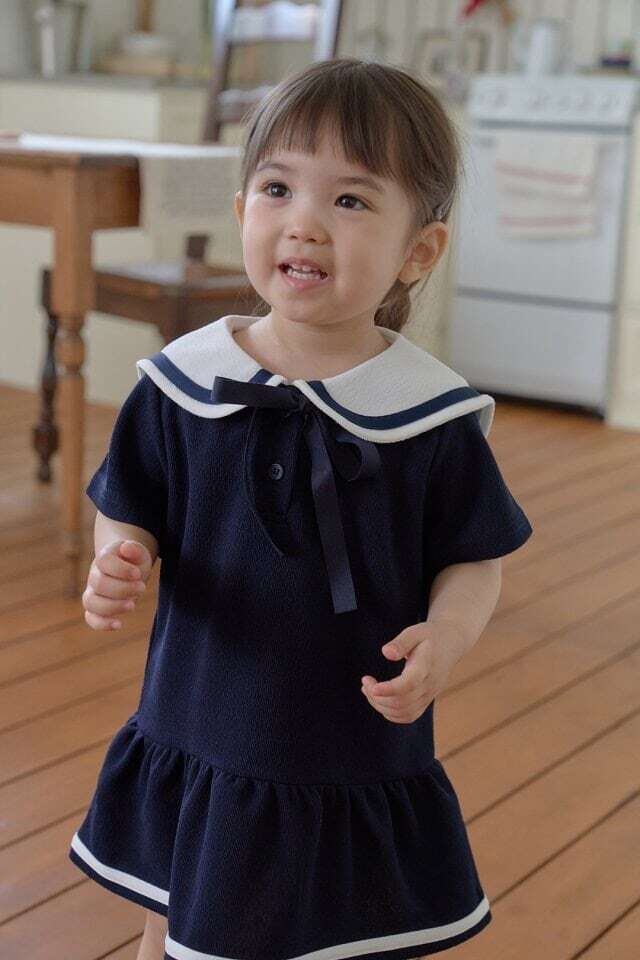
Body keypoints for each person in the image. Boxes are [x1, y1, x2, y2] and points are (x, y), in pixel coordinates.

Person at [69, 57, 533, 960]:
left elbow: (475, 555)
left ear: (418, 250)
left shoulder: (427, 416)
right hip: (201, 721)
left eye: (351, 200)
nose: (305, 223)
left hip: (348, 745)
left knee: (342, 932)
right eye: (278, 189)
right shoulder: (185, 384)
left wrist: (448, 636)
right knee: (174, 910)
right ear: (243, 209)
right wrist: (119, 553)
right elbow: (129, 501)